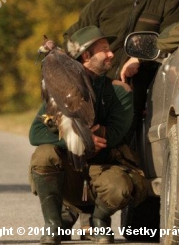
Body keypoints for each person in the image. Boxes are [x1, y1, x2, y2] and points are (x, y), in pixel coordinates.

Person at [30, 26, 147, 244]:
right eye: (105, 49)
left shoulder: (119, 91)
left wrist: (74, 132)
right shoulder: (61, 87)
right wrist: (76, 136)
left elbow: (112, 135)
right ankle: (53, 225)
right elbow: (35, 133)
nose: (112, 54)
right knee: (43, 154)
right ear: (86, 55)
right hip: (70, 174)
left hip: (102, 171)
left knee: (120, 187)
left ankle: (98, 220)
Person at [65, 0, 179, 143]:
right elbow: (72, 40)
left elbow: (175, 35)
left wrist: (141, 58)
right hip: (100, 88)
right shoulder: (101, 4)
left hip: (146, 89)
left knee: (132, 147)